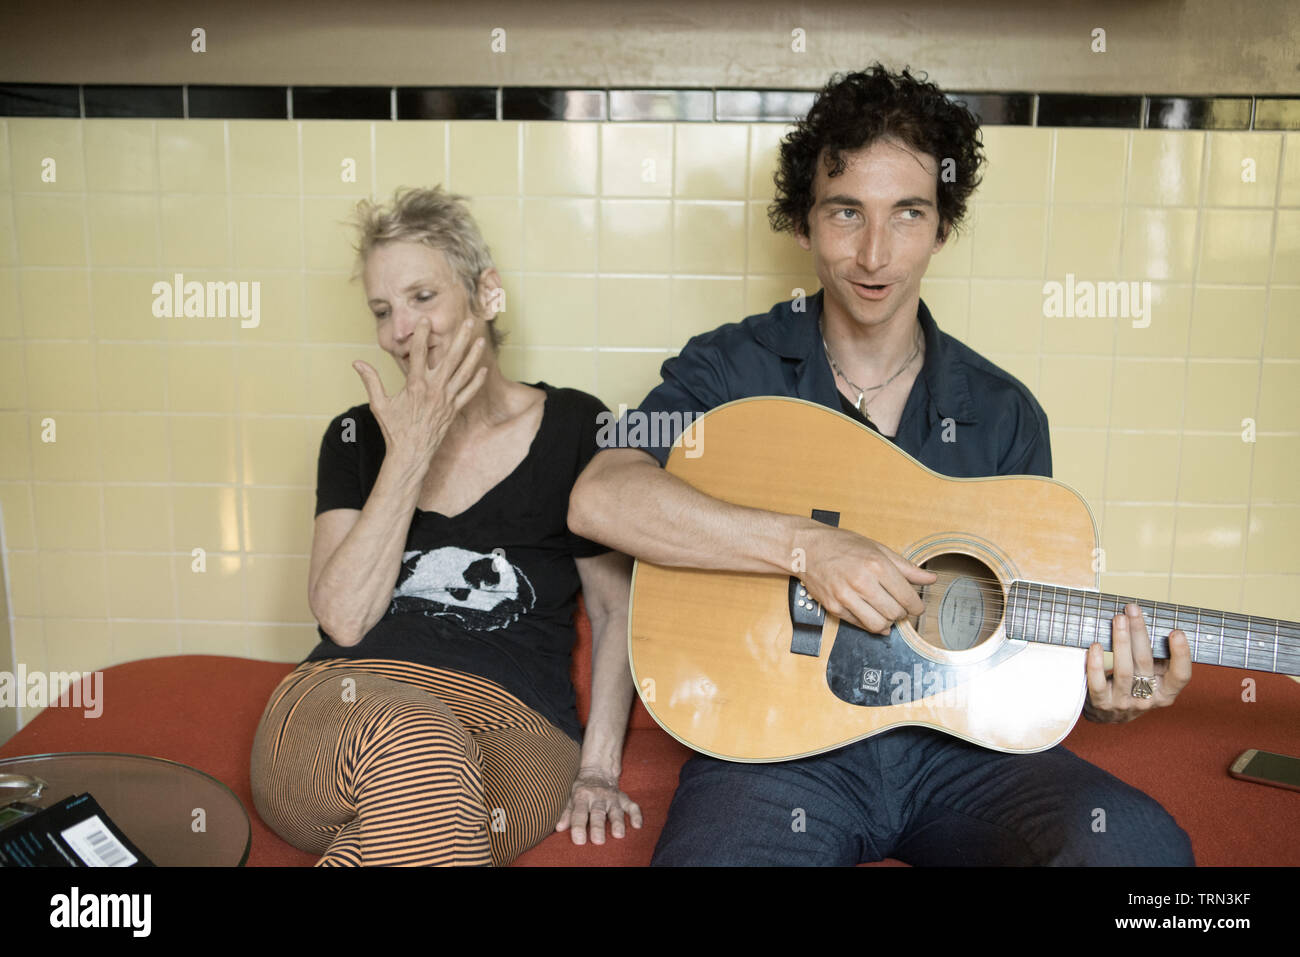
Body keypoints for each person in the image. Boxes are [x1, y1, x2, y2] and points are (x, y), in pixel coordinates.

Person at [568, 64, 1195, 866]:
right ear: (803, 224)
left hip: (962, 757)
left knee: (1140, 850)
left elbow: (1026, 646)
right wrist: (807, 547)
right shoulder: (731, 368)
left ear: (941, 227)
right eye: (845, 213)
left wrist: (1108, 698)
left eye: (907, 214)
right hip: (775, 750)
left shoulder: (1005, 412)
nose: (873, 252)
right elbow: (600, 498)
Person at [251, 186, 641, 866]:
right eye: (382, 310)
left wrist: (598, 768)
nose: (400, 330)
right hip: (346, 699)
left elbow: (614, 609)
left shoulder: (580, 425)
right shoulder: (355, 436)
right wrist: (409, 451)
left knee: (409, 815)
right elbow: (342, 618)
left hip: (515, 726)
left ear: (487, 293)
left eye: (422, 297)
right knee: (419, 740)